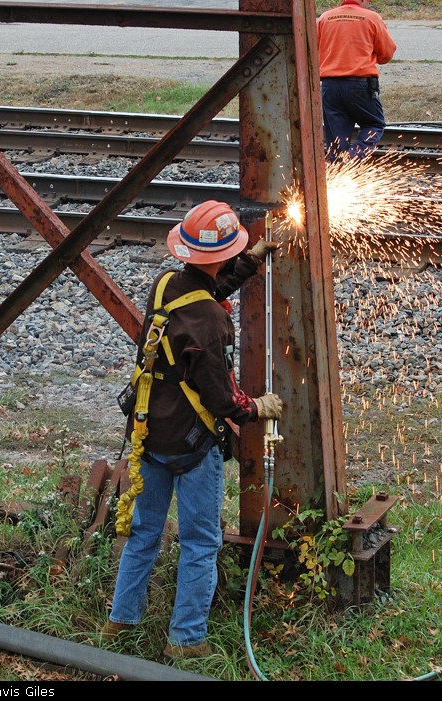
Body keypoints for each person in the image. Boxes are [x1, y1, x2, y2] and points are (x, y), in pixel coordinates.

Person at [102, 200, 283, 660]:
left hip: (149, 431)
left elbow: (205, 287)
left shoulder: (166, 285)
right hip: (192, 442)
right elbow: (223, 400)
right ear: (222, 253)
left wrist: (251, 261)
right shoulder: (211, 321)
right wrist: (259, 407)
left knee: (143, 532)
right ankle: (185, 641)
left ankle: (120, 622)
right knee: (200, 541)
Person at [316, 0, 397, 160]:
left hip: (329, 86)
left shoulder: (325, 18)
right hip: (359, 85)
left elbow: (315, 50)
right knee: (374, 124)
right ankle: (353, 160)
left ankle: (337, 173)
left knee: (336, 143)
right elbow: (386, 54)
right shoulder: (371, 18)